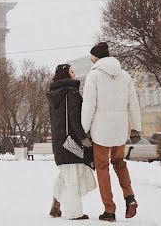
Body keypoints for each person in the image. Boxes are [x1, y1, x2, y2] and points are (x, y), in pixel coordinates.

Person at [80, 42, 142, 222]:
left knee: (102, 167)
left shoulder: (94, 76)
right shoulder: (125, 76)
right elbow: (133, 103)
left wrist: (84, 131)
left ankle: (109, 209)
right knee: (119, 162)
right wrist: (136, 128)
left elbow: (89, 105)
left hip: (101, 131)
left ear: (96, 57)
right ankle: (129, 196)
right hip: (120, 130)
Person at [47, 63, 96, 220]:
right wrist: (83, 138)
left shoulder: (53, 94)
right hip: (72, 141)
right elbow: (75, 118)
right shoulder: (72, 93)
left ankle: (56, 206)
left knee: (66, 174)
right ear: (66, 75)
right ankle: (74, 212)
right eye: (72, 72)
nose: (75, 74)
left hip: (59, 141)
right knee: (73, 176)